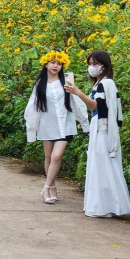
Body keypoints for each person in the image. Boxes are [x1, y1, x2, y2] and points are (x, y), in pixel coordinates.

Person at [64, 50, 130, 217]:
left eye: (94, 64)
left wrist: (77, 92)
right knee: (102, 163)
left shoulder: (105, 84)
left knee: (102, 162)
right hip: (100, 126)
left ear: (104, 66)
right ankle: (107, 206)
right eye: (90, 64)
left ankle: (106, 206)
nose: (91, 67)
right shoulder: (100, 83)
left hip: (103, 128)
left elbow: (97, 106)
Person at [25, 50, 89, 203]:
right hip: (47, 125)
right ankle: (52, 187)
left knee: (56, 156)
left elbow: (76, 103)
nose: (56, 66)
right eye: (53, 62)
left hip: (65, 125)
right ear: (46, 64)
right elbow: (33, 107)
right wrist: (32, 129)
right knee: (48, 157)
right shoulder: (39, 85)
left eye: (59, 63)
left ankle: (45, 187)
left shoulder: (67, 81)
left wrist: (84, 123)